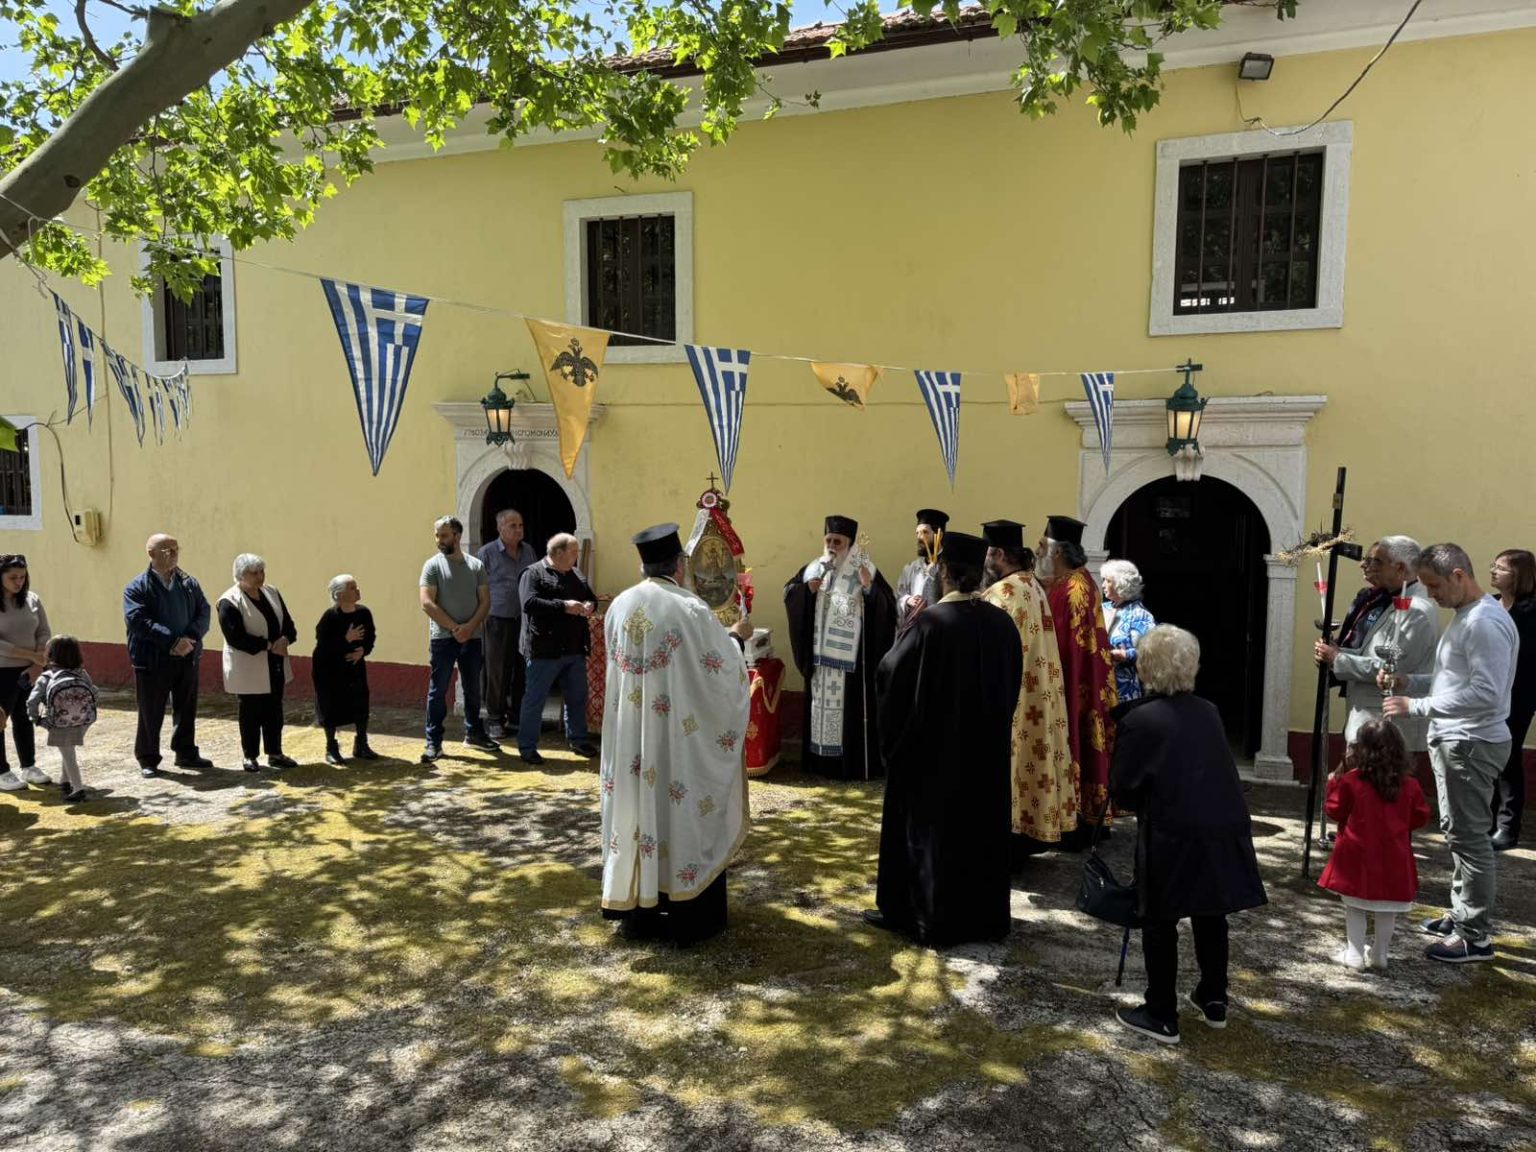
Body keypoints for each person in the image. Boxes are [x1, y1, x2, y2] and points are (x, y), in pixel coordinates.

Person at [1110, 625, 1266, 1045]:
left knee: (1160, 919)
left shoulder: (1141, 719)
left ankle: (1161, 1013)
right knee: (1210, 913)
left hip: (1171, 831)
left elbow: (1122, 787)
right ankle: (1213, 998)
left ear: (1146, 668)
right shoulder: (1210, 711)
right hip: (1220, 825)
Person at [866, 532, 1022, 947]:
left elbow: (889, 677)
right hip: (986, 756)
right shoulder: (1002, 624)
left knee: (933, 836)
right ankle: (984, 919)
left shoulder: (931, 624)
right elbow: (1012, 686)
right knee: (980, 836)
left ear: (945, 574)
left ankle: (927, 918)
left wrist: (894, 747)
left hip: (934, 759)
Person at [600, 524, 751, 943]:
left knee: (634, 807)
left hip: (630, 739)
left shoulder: (619, 607)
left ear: (642, 564)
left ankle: (637, 910)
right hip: (675, 743)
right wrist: (737, 640)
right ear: (681, 566)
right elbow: (720, 674)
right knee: (677, 807)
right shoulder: (691, 610)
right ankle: (687, 911)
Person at [1383, 543, 1517, 964]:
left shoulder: (1484, 623)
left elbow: (1485, 693)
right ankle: (1461, 915)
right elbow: (1453, 680)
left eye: (1436, 586)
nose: (1433, 595)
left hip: (1471, 743)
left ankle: (1474, 936)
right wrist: (1412, 682)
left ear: (1460, 575)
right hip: (1460, 740)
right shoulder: (1468, 618)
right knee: (1459, 832)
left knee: (1471, 839)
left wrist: (1417, 707)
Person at [978, 520, 1075, 851]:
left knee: (1011, 768)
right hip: (1038, 697)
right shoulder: (1032, 587)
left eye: (989, 554)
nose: (985, 562)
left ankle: (1007, 838)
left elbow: (984, 651)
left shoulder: (1003, 593)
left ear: (1000, 554)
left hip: (1014, 701)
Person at [783, 515, 897, 780]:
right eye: (828, 540)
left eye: (838, 541)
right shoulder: (813, 568)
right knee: (819, 711)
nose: (832, 546)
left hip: (851, 664)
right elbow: (789, 592)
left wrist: (869, 589)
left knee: (848, 715)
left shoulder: (865, 568)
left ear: (850, 543)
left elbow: (887, 606)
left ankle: (849, 766)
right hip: (820, 660)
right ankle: (820, 764)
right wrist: (805, 591)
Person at [1317, 719, 1431, 972]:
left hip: (1356, 856)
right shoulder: (1410, 785)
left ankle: (1355, 953)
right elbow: (1420, 817)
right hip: (1394, 856)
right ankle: (1380, 954)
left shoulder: (1351, 781)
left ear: (1360, 749)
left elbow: (1334, 810)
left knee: (1355, 907)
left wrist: (1334, 781)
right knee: (1386, 909)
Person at [1314, 536, 1438, 749]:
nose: (1365, 565)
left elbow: (1391, 669)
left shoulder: (1415, 610)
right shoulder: (1390, 600)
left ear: (1400, 568)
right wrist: (1335, 651)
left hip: (1389, 728)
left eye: (1376, 561)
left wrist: (1337, 659)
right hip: (1368, 721)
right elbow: (1371, 651)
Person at [1037, 515, 1117, 841]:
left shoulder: (1075, 589)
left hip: (1073, 687)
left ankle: (1079, 821)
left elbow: (1071, 648)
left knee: (1076, 747)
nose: (1037, 551)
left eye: (1042, 546)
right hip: (1069, 682)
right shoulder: (1069, 583)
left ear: (1057, 553)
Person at [124, 534, 213, 777]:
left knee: (186, 707)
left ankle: (185, 752)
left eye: (176, 549)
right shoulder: (137, 587)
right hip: (153, 659)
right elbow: (138, 620)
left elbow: (203, 612)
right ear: (151, 554)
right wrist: (171, 641)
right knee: (151, 711)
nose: (173, 553)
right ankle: (148, 758)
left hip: (187, 656)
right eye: (166, 550)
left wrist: (190, 639)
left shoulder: (188, 583)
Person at [420, 515, 498, 763]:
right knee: (438, 690)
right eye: (436, 535)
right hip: (443, 638)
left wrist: (469, 628)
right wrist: (456, 628)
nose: (439, 540)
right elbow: (427, 603)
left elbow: (485, 601)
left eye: (443, 535)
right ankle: (433, 742)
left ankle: (474, 733)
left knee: (473, 688)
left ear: (457, 535)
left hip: (472, 637)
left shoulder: (475, 566)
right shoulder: (432, 566)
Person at [517, 532, 598, 765]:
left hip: (573, 648)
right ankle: (528, 746)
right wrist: (563, 606)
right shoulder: (533, 573)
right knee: (535, 699)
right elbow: (528, 603)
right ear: (558, 552)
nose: (577, 556)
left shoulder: (576, 573)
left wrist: (589, 605)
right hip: (544, 649)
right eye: (573, 552)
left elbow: (590, 596)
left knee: (577, 696)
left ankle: (578, 739)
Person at [218, 554, 299, 773]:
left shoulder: (271, 593)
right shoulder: (229, 601)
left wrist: (285, 639)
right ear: (240, 576)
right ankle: (250, 755)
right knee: (251, 712)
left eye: (261, 572)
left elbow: (289, 625)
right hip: (249, 665)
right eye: (254, 573)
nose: (260, 577)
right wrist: (268, 645)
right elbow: (236, 637)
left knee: (274, 709)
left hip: (275, 662)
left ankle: (275, 752)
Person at [1488, 547, 1536, 850]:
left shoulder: (1531, 610)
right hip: (1489, 690)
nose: (1493, 571)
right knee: (1489, 754)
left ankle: (1507, 825)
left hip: (1519, 692)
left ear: (1518, 576)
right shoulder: (1490, 605)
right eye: (1493, 565)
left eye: (1501, 568)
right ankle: (1487, 819)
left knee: (1508, 755)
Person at [477, 508, 537, 740]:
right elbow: (478, 589)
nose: (518, 529)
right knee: (497, 672)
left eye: (520, 525)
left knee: (522, 670)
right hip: (497, 620)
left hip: (523, 620)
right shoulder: (487, 554)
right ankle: (494, 719)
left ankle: (517, 717)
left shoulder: (528, 551)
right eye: (512, 525)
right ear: (500, 528)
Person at [313, 574, 379, 765]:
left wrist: (363, 651)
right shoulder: (330, 617)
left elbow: (370, 636)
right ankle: (331, 748)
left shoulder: (363, 613)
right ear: (339, 594)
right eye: (352, 588)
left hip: (354, 666)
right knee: (331, 706)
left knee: (360, 702)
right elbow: (323, 644)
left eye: (356, 586)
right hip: (330, 669)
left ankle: (361, 744)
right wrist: (346, 639)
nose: (357, 590)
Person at [25, 635, 97, 804]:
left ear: (50, 655)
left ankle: (78, 788)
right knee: (68, 749)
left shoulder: (47, 677)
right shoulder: (82, 673)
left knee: (68, 754)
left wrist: (36, 719)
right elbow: (95, 692)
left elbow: (32, 701)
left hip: (58, 723)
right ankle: (65, 781)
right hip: (83, 720)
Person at [0, 554, 49, 791]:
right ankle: (1, 771)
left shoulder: (32, 599)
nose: (18, 582)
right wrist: (30, 655)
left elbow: (43, 631)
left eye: (22, 577)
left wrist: (38, 662)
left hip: (30, 670)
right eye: (12, 578)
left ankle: (28, 766)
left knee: (24, 717)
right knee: (0, 720)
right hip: (2, 670)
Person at [1100, 559, 1156, 704]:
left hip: (1124, 692)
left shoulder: (1139, 615)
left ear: (1121, 583)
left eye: (1108, 581)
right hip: (1098, 686)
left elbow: (1151, 652)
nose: (1103, 585)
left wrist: (1125, 655)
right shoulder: (1101, 609)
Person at [895, 508, 946, 627]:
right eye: (917, 533)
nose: (919, 537)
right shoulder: (911, 568)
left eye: (925, 532)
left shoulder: (949, 567)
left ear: (939, 535)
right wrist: (908, 601)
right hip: (916, 630)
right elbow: (898, 597)